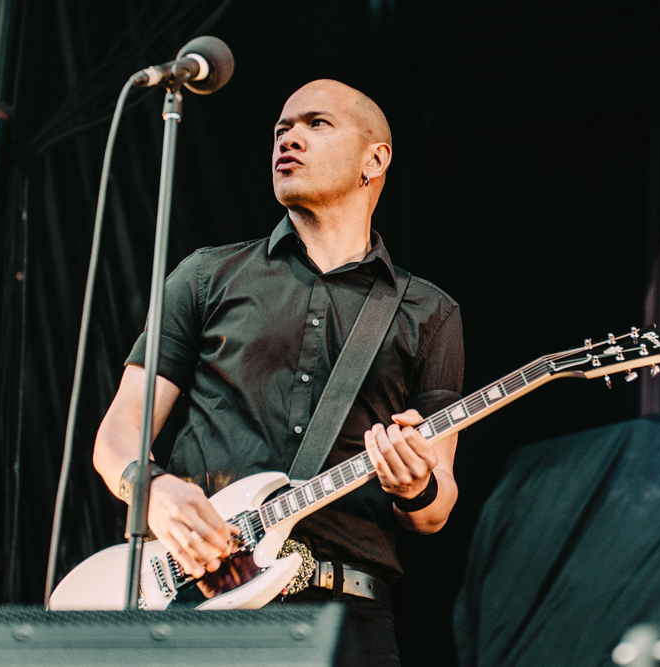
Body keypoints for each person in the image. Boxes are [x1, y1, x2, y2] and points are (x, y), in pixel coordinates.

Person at [93, 79, 464, 664]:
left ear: (374, 160)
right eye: (281, 129)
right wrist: (154, 490)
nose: (288, 138)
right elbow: (118, 435)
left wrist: (415, 485)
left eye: (317, 124)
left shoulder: (429, 312)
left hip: (346, 618)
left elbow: (436, 510)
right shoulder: (206, 276)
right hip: (200, 602)